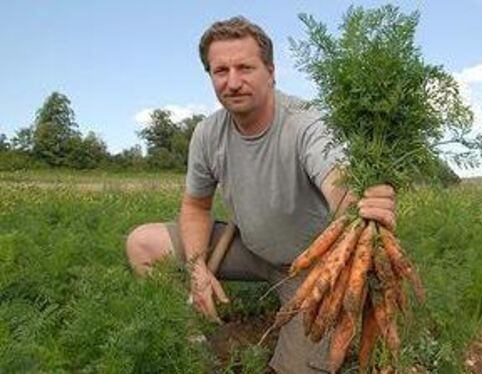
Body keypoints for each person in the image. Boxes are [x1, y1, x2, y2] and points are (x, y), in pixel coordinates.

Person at [125, 16, 396, 373]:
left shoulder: (305, 123)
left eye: (245, 68)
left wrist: (360, 202)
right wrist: (197, 269)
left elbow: (336, 177)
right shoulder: (208, 134)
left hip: (310, 268)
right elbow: (195, 206)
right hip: (249, 248)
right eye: (220, 70)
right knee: (142, 244)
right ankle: (191, 337)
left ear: (270, 71)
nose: (232, 82)